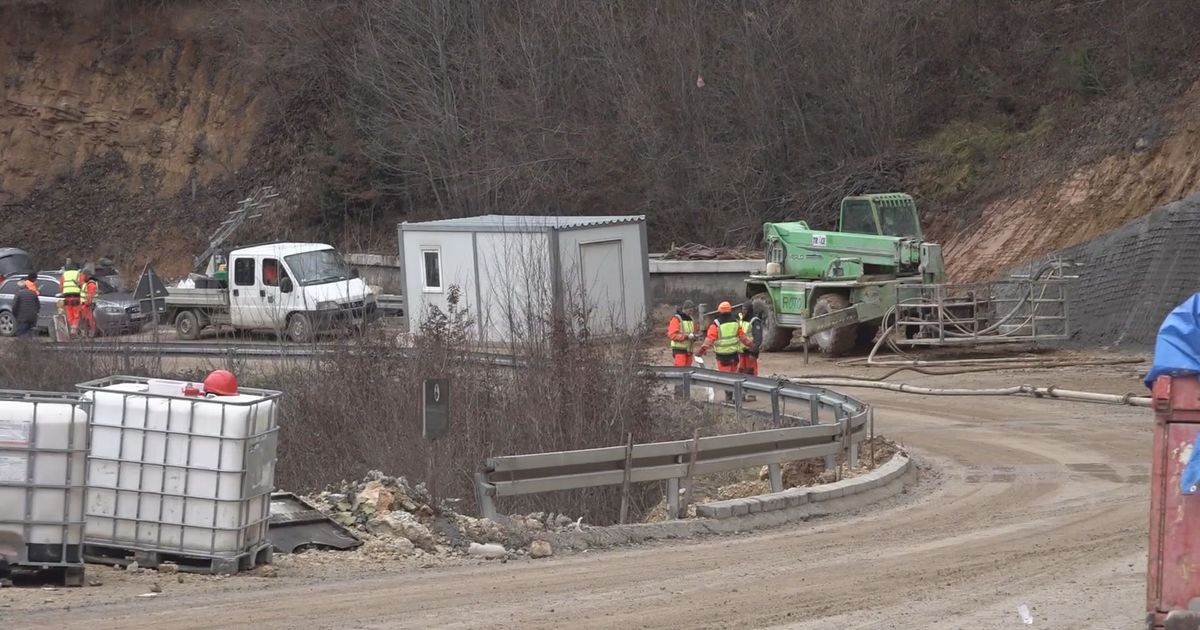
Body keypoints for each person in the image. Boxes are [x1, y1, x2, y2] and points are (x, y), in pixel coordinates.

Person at [697, 301, 753, 401]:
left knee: (726, 379)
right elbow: (743, 337)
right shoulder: (736, 323)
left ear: (719, 311)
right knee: (734, 376)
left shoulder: (716, 324)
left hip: (722, 357)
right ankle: (734, 398)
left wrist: (701, 350)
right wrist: (751, 345)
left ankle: (729, 398)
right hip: (734, 356)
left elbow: (710, 339)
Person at [738, 302, 764, 396]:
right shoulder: (742, 320)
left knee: (752, 372)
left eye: (745, 309)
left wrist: (753, 352)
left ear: (749, 310)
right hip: (743, 352)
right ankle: (743, 392)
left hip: (751, 353)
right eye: (742, 309)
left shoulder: (755, 321)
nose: (743, 311)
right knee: (741, 372)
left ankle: (752, 394)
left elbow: (758, 339)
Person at [666, 300, 700, 367]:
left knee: (687, 372)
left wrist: (695, 337)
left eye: (692, 311)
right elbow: (672, 335)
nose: (691, 312)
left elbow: (694, 332)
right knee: (680, 372)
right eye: (690, 310)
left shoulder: (691, 319)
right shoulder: (676, 319)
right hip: (679, 350)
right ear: (685, 309)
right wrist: (687, 336)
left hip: (689, 351)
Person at [12, 273, 40, 337]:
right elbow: (38, 306)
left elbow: (14, 306)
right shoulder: (33, 293)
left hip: (22, 318)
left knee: (21, 333)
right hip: (33, 317)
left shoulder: (18, 294)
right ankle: (30, 345)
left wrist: (15, 315)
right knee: (30, 333)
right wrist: (35, 313)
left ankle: (23, 346)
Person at [60, 262, 82, 335]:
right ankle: (74, 329)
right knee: (76, 314)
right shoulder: (78, 274)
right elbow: (82, 285)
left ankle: (71, 328)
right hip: (76, 296)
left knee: (69, 313)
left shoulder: (64, 275)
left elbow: (61, 287)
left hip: (67, 297)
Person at [78, 270, 99, 337]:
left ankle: (91, 334)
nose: (82, 278)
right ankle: (87, 334)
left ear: (87, 276)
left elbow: (90, 296)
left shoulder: (91, 285)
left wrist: (86, 304)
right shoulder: (87, 284)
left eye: (83, 276)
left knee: (89, 320)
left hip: (88, 306)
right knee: (86, 321)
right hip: (86, 305)